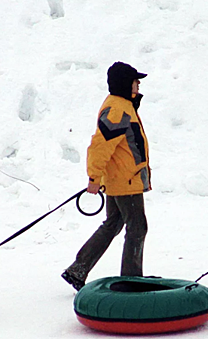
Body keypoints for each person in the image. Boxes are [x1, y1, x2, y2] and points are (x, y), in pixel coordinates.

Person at [62, 61, 151, 291]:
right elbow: (100, 146)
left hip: (123, 178)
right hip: (126, 181)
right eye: (135, 81)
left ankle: (78, 269)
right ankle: (131, 280)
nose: (138, 84)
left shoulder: (122, 105)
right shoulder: (118, 109)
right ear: (125, 84)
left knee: (113, 224)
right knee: (137, 227)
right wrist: (94, 178)